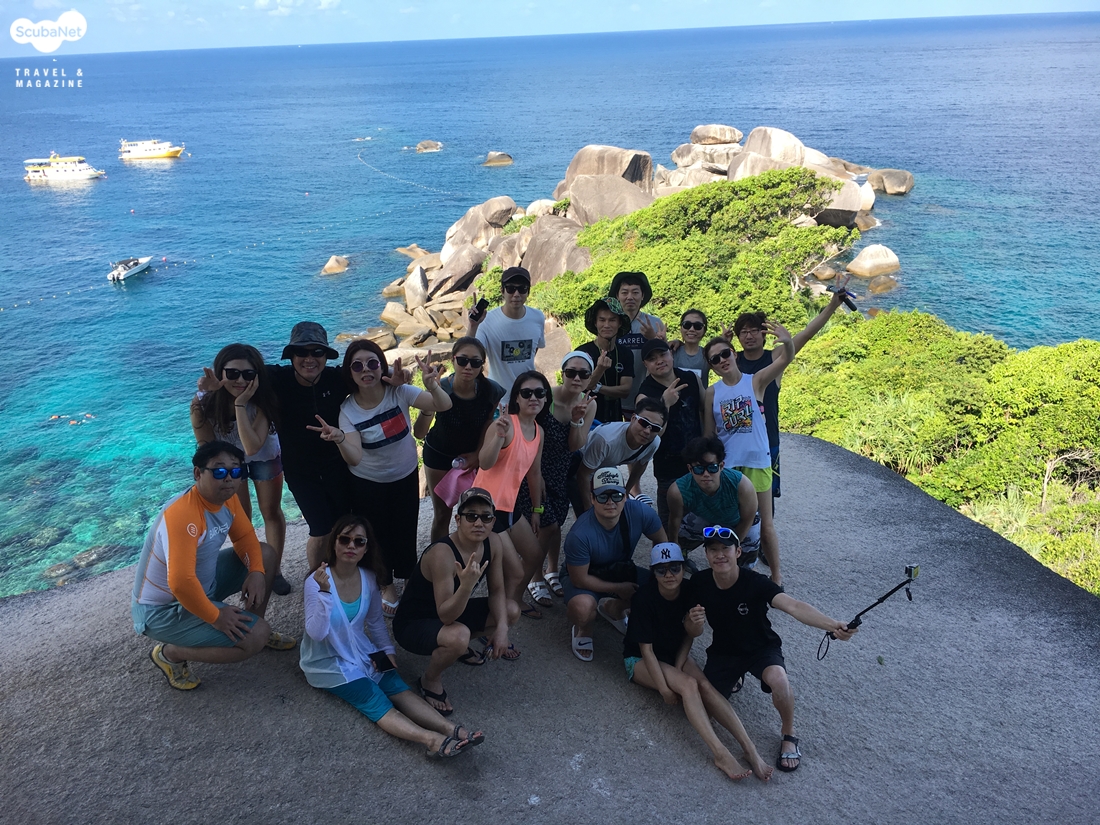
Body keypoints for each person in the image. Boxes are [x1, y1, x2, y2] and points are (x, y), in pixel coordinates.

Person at [301, 514, 483, 760]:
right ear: (334, 543)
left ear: (367, 548)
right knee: (375, 698)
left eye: (359, 541)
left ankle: (453, 730)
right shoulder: (316, 582)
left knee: (398, 687)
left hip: (361, 650)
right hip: (328, 661)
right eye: (344, 539)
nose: (351, 546)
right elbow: (316, 633)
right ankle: (432, 740)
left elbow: (376, 622)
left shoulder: (368, 578)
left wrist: (387, 651)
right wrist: (324, 594)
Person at [131, 441, 296, 691]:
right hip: (163, 610)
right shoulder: (182, 514)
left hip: (201, 585)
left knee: (265, 555)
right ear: (198, 473)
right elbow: (180, 583)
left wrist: (256, 571)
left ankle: (250, 624)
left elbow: (244, 537)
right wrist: (216, 617)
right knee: (257, 637)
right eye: (219, 471)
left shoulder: (227, 499)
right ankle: (170, 654)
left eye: (236, 471)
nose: (228, 478)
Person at [694, 528, 856, 773]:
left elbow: (793, 606)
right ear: (706, 554)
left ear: (738, 552)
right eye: (713, 549)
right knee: (706, 709)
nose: (720, 555)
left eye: (725, 548)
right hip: (724, 651)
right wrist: (693, 622)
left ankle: (789, 733)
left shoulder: (756, 582)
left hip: (761, 647)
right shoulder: (699, 582)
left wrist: (833, 625)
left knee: (780, 681)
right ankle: (736, 675)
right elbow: (690, 626)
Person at [307, 340, 451, 615]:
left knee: (406, 530)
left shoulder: (399, 392)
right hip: (367, 483)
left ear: (381, 366)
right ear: (349, 373)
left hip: (404, 475)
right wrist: (340, 439)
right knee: (376, 535)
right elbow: (355, 458)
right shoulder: (348, 411)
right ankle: (385, 584)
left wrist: (432, 386)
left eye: (372, 363)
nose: (366, 370)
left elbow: (443, 405)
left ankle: (409, 577)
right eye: (357, 366)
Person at [623, 542, 771, 782]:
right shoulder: (644, 597)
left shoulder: (690, 590)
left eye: (675, 568)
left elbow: (689, 635)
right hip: (639, 659)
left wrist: (679, 665)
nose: (669, 575)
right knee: (689, 685)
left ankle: (749, 748)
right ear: (653, 572)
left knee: (706, 686)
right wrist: (664, 688)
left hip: (673, 652)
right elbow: (646, 650)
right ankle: (720, 753)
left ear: (683, 568)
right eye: (661, 570)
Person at [392, 488, 516, 715]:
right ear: (458, 520)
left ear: (493, 521)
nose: (478, 523)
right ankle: (430, 679)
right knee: (458, 636)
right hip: (413, 624)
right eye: (471, 516)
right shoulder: (443, 553)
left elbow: (497, 590)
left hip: (453, 611)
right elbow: (445, 615)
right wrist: (467, 586)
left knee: (510, 611)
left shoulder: (494, 542)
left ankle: (457, 648)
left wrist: (502, 629)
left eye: (486, 517)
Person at [730, 283, 851, 503]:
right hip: (736, 440)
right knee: (734, 498)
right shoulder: (732, 360)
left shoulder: (775, 358)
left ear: (764, 335)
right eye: (743, 332)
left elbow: (807, 333)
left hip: (767, 440)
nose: (749, 336)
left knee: (765, 500)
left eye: (754, 331)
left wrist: (833, 305)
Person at [190, 343, 290, 595]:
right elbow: (206, 447)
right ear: (220, 373)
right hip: (228, 461)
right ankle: (252, 567)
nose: (240, 380)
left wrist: (240, 404)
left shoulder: (264, 400)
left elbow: (252, 447)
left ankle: (273, 570)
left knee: (271, 511)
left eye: (248, 374)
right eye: (232, 373)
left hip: (263, 454)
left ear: (257, 375)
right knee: (240, 517)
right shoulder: (203, 402)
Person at [703, 329, 793, 585]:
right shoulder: (712, 393)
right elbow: (709, 434)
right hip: (729, 466)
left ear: (734, 353)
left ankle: (776, 578)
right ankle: (728, 574)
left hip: (757, 463)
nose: (722, 360)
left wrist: (787, 342)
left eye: (725, 353)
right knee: (731, 522)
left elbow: (785, 359)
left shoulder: (755, 381)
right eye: (715, 359)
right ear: (711, 366)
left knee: (766, 524)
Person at [516, 351, 596, 607]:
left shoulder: (589, 404)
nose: (576, 378)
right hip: (534, 470)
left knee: (556, 524)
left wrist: (576, 420)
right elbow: (528, 432)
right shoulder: (544, 397)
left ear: (589, 377)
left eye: (583, 374)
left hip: (561, 471)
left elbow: (574, 446)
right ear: (562, 374)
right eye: (571, 372)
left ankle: (551, 569)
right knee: (546, 526)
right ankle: (534, 576)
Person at [562, 467, 667, 661]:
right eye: (603, 496)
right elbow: (579, 579)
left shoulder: (641, 512)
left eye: (617, 495)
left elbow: (663, 543)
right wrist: (619, 588)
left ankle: (614, 609)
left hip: (620, 568)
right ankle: (583, 629)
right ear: (592, 499)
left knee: (662, 590)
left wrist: (657, 576)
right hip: (585, 575)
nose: (610, 502)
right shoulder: (579, 534)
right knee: (582, 608)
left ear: (626, 496)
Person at [474, 371, 549, 623]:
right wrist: (498, 436)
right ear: (517, 397)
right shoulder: (504, 425)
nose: (533, 397)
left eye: (539, 392)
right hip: (485, 509)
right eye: (526, 393)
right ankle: (493, 623)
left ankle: (512, 603)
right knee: (513, 571)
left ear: (545, 398)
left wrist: (536, 511)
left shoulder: (538, 431)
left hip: (508, 507)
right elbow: (484, 463)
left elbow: (534, 473)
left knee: (535, 554)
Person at [414, 337, 506, 541]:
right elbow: (419, 432)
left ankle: (470, 553)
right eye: (463, 360)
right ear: (453, 360)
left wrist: (478, 454)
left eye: (475, 362)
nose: (468, 367)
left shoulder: (491, 390)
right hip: (438, 455)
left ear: (482, 365)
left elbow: (488, 423)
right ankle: (439, 555)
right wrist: (431, 393)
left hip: (472, 455)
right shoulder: (440, 387)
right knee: (442, 515)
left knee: (475, 512)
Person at [634, 338, 705, 527]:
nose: (659, 361)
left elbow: (705, 409)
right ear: (645, 364)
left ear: (671, 354)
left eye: (662, 354)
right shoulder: (645, 395)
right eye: (652, 359)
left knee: (700, 519)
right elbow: (650, 436)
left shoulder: (691, 378)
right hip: (668, 467)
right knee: (670, 522)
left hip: (698, 462)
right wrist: (664, 404)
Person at [666, 436, 759, 563]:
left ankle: (742, 567)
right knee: (681, 535)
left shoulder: (742, 485)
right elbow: (674, 519)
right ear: (690, 469)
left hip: (737, 521)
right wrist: (673, 545)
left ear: (721, 466)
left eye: (712, 467)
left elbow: (747, 519)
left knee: (749, 545)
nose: (706, 474)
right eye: (699, 468)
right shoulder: (677, 491)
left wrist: (731, 546)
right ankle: (681, 557)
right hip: (705, 518)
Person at [575, 397, 666, 513]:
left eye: (655, 428)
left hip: (605, 463)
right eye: (643, 423)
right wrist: (588, 509)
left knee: (611, 504)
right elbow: (583, 474)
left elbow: (641, 465)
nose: (647, 431)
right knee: (584, 509)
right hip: (579, 458)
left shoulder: (653, 442)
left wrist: (625, 493)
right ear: (633, 418)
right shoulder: (606, 439)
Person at [468, 266, 546, 390]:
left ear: (528, 292)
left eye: (522, 289)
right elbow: (470, 353)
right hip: (498, 396)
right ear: (502, 291)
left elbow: (533, 350)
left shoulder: (538, 317)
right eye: (510, 289)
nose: (516, 294)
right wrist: (473, 326)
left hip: (528, 395)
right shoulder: (486, 320)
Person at [608, 270, 665, 421]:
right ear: (617, 296)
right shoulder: (610, 323)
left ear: (642, 295)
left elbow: (665, 357)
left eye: (635, 292)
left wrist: (653, 338)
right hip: (616, 395)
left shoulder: (655, 323)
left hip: (647, 393)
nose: (630, 297)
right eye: (624, 292)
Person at [577, 297, 633, 424]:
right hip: (587, 418)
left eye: (612, 320)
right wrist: (600, 369)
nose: (606, 325)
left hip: (616, 419)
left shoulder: (626, 353)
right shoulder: (582, 352)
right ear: (595, 323)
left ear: (619, 323)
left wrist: (597, 387)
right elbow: (583, 386)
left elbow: (625, 390)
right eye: (602, 320)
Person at [671, 308, 710, 385]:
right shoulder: (671, 352)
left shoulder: (707, 355)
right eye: (687, 325)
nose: (692, 329)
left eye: (698, 326)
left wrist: (725, 342)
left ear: (704, 331)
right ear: (681, 328)